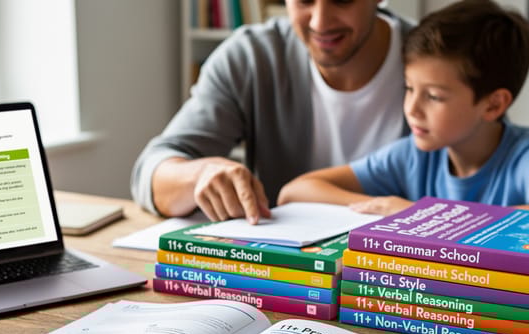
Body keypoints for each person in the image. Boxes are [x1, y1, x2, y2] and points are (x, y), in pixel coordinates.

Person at [277, 0, 529, 216]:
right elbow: (296, 191)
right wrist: (386, 209)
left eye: (434, 96)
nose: (412, 109)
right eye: (409, 88)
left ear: (493, 104)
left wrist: (421, 214)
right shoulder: (414, 155)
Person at [132, 1, 415, 224]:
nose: (320, 22)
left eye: (342, 1)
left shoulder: (438, 59)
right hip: (282, 281)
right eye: (304, 1)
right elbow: (151, 171)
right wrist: (199, 174)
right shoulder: (252, 57)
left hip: (396, 283)